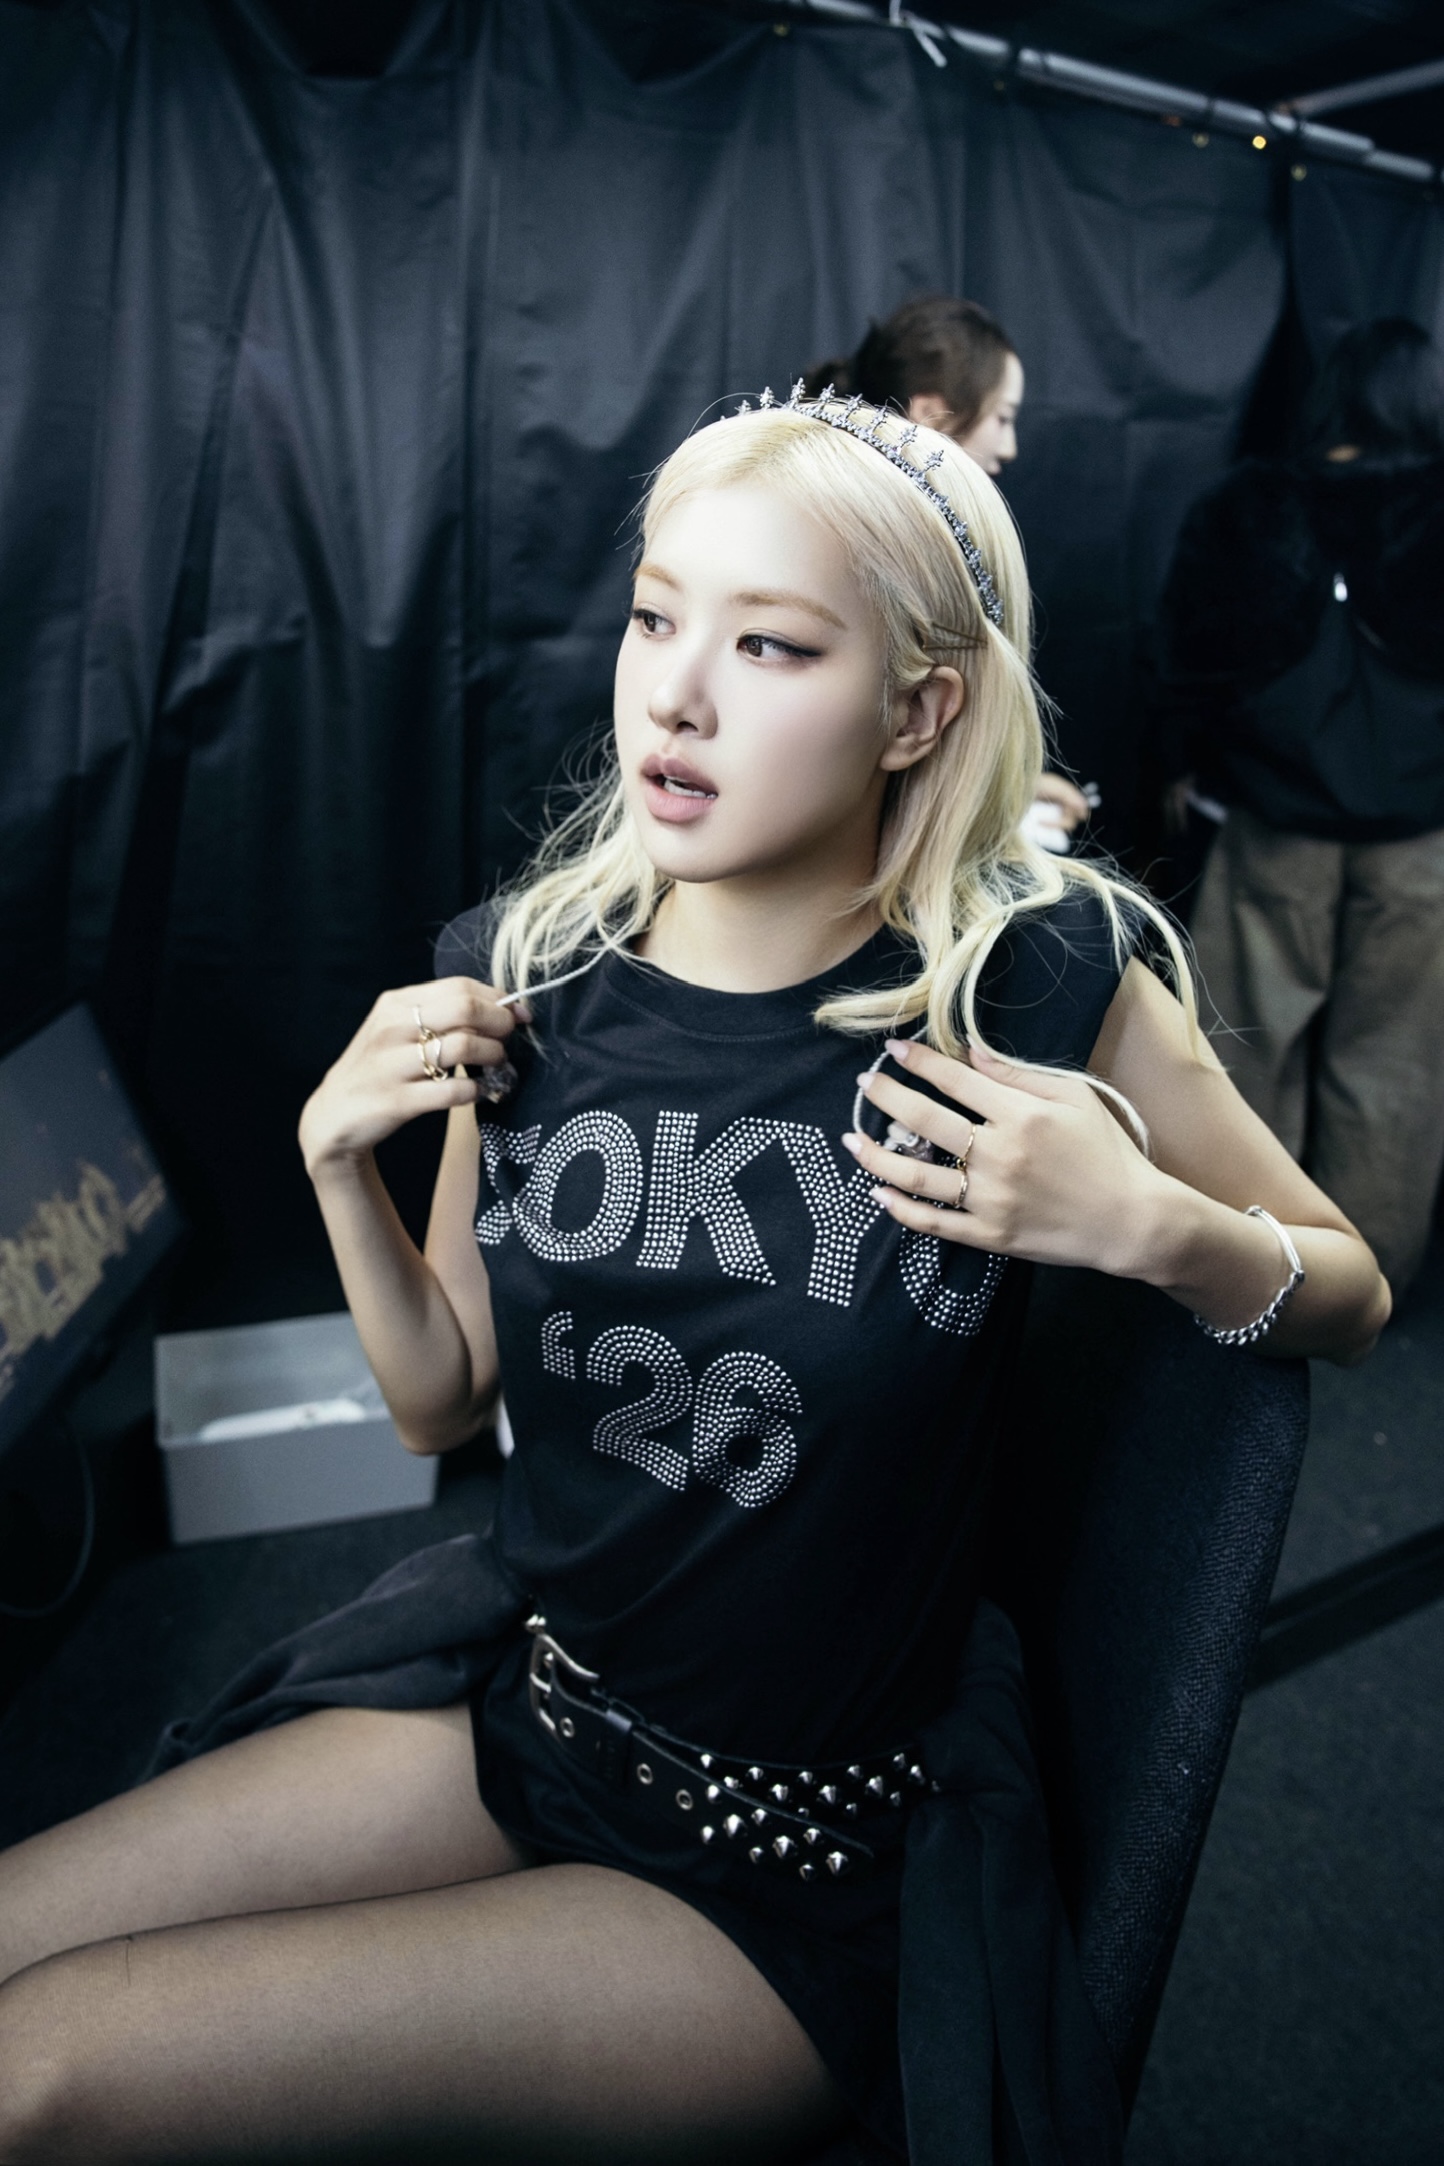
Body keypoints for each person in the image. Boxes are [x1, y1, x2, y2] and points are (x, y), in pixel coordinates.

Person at [0, 386, 1388, 2165]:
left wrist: (1149, 1225)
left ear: (917, 709)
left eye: (770, 645)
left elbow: (1345, 1288)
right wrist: (336, 1168)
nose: (674, 693)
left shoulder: (1041, 981)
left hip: (788, 1867)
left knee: (45, 2071)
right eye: (657, 617)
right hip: (532, 1711)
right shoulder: (537, 962)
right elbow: (440, 1396)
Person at [1160, 317, 1444, 1299]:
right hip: (1421, 837)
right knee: (1398, 1062)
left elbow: (1189, 653)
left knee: (1241, 1048)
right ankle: (1367, 1283)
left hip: (1276, 820)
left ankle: (1247, 1265)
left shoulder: (1254, 506)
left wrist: (1188, 763)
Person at [806, 293, 1091, 849]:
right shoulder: (864, 548)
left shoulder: (923, 541)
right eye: (1002, 418)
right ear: (930, 415)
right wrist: (1004, 818)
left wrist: (1015, 794)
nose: (1009, 446)